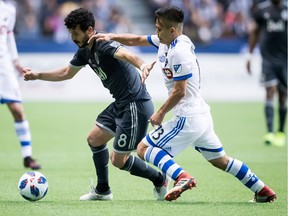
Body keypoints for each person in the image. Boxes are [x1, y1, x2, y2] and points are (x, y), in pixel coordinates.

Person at [91, 6, 277, 202]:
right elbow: (137, 39)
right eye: (155, 27)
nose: (156, 33)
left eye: (159, 29)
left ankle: (181, 177)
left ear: (172, 30)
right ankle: (262, 189)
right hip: (201, 116)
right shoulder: (166, 41)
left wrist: (161, 113)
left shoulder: (180, 52)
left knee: (144, 148)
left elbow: (180, 91)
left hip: (188, 117)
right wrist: (111, 36)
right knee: (220, 160)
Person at [23, 8, 169, 201]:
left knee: (118, 160)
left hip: (135, 104)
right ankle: (102, 190)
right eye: (71, 34)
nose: (73, 38)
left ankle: (159, 179)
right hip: (121, 103)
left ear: (90, 30)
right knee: (94, 139)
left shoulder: (102, 44)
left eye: (76, 33)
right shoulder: (84, 50)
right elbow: (67, 72)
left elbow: (126, 54)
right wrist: (38, 75)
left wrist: (141, 65)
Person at [0, 0, 41, 170]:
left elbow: (8, 35)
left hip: (3, 65)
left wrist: (15, 60)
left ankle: (27, 156)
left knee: (17, 109)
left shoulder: (9, 9)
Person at [246, 0, 287, 147]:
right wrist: (249, 55)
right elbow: (254, 32)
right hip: (268, 60)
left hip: (285, 60)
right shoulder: (262, 10)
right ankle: (269, 132)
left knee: (283, 96)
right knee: (270, 91)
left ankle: (281, 131)